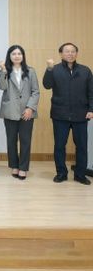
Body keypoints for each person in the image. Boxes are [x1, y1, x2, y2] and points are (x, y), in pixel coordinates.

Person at [43, 43, 93, 185]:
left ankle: (80, 175)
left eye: (73, 51)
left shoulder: (85, 71)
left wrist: (91, 109)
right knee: (59, 146)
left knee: (82, 146)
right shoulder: (55, 69)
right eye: (67, 51)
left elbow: (91, 92)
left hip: (81, 114)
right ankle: (61, 173)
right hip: (60, 115)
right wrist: (49, 68)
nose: (70, 54)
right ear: (61, 54)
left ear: (76, 53)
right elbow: (47, 85)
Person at [0, 45, 40, 180]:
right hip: (10, 110)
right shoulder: (5, 70)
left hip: (26, 112)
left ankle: (23, 168)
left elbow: (35, 91)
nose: (16, 56)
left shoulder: (30, 71)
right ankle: (14, 166)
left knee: (25, 141)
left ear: (23, 56)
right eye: (14, 54)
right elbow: (2, 87)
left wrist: (30, 108)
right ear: (9, 56)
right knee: (11, 141)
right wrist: (3, 71)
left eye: (19, 54)